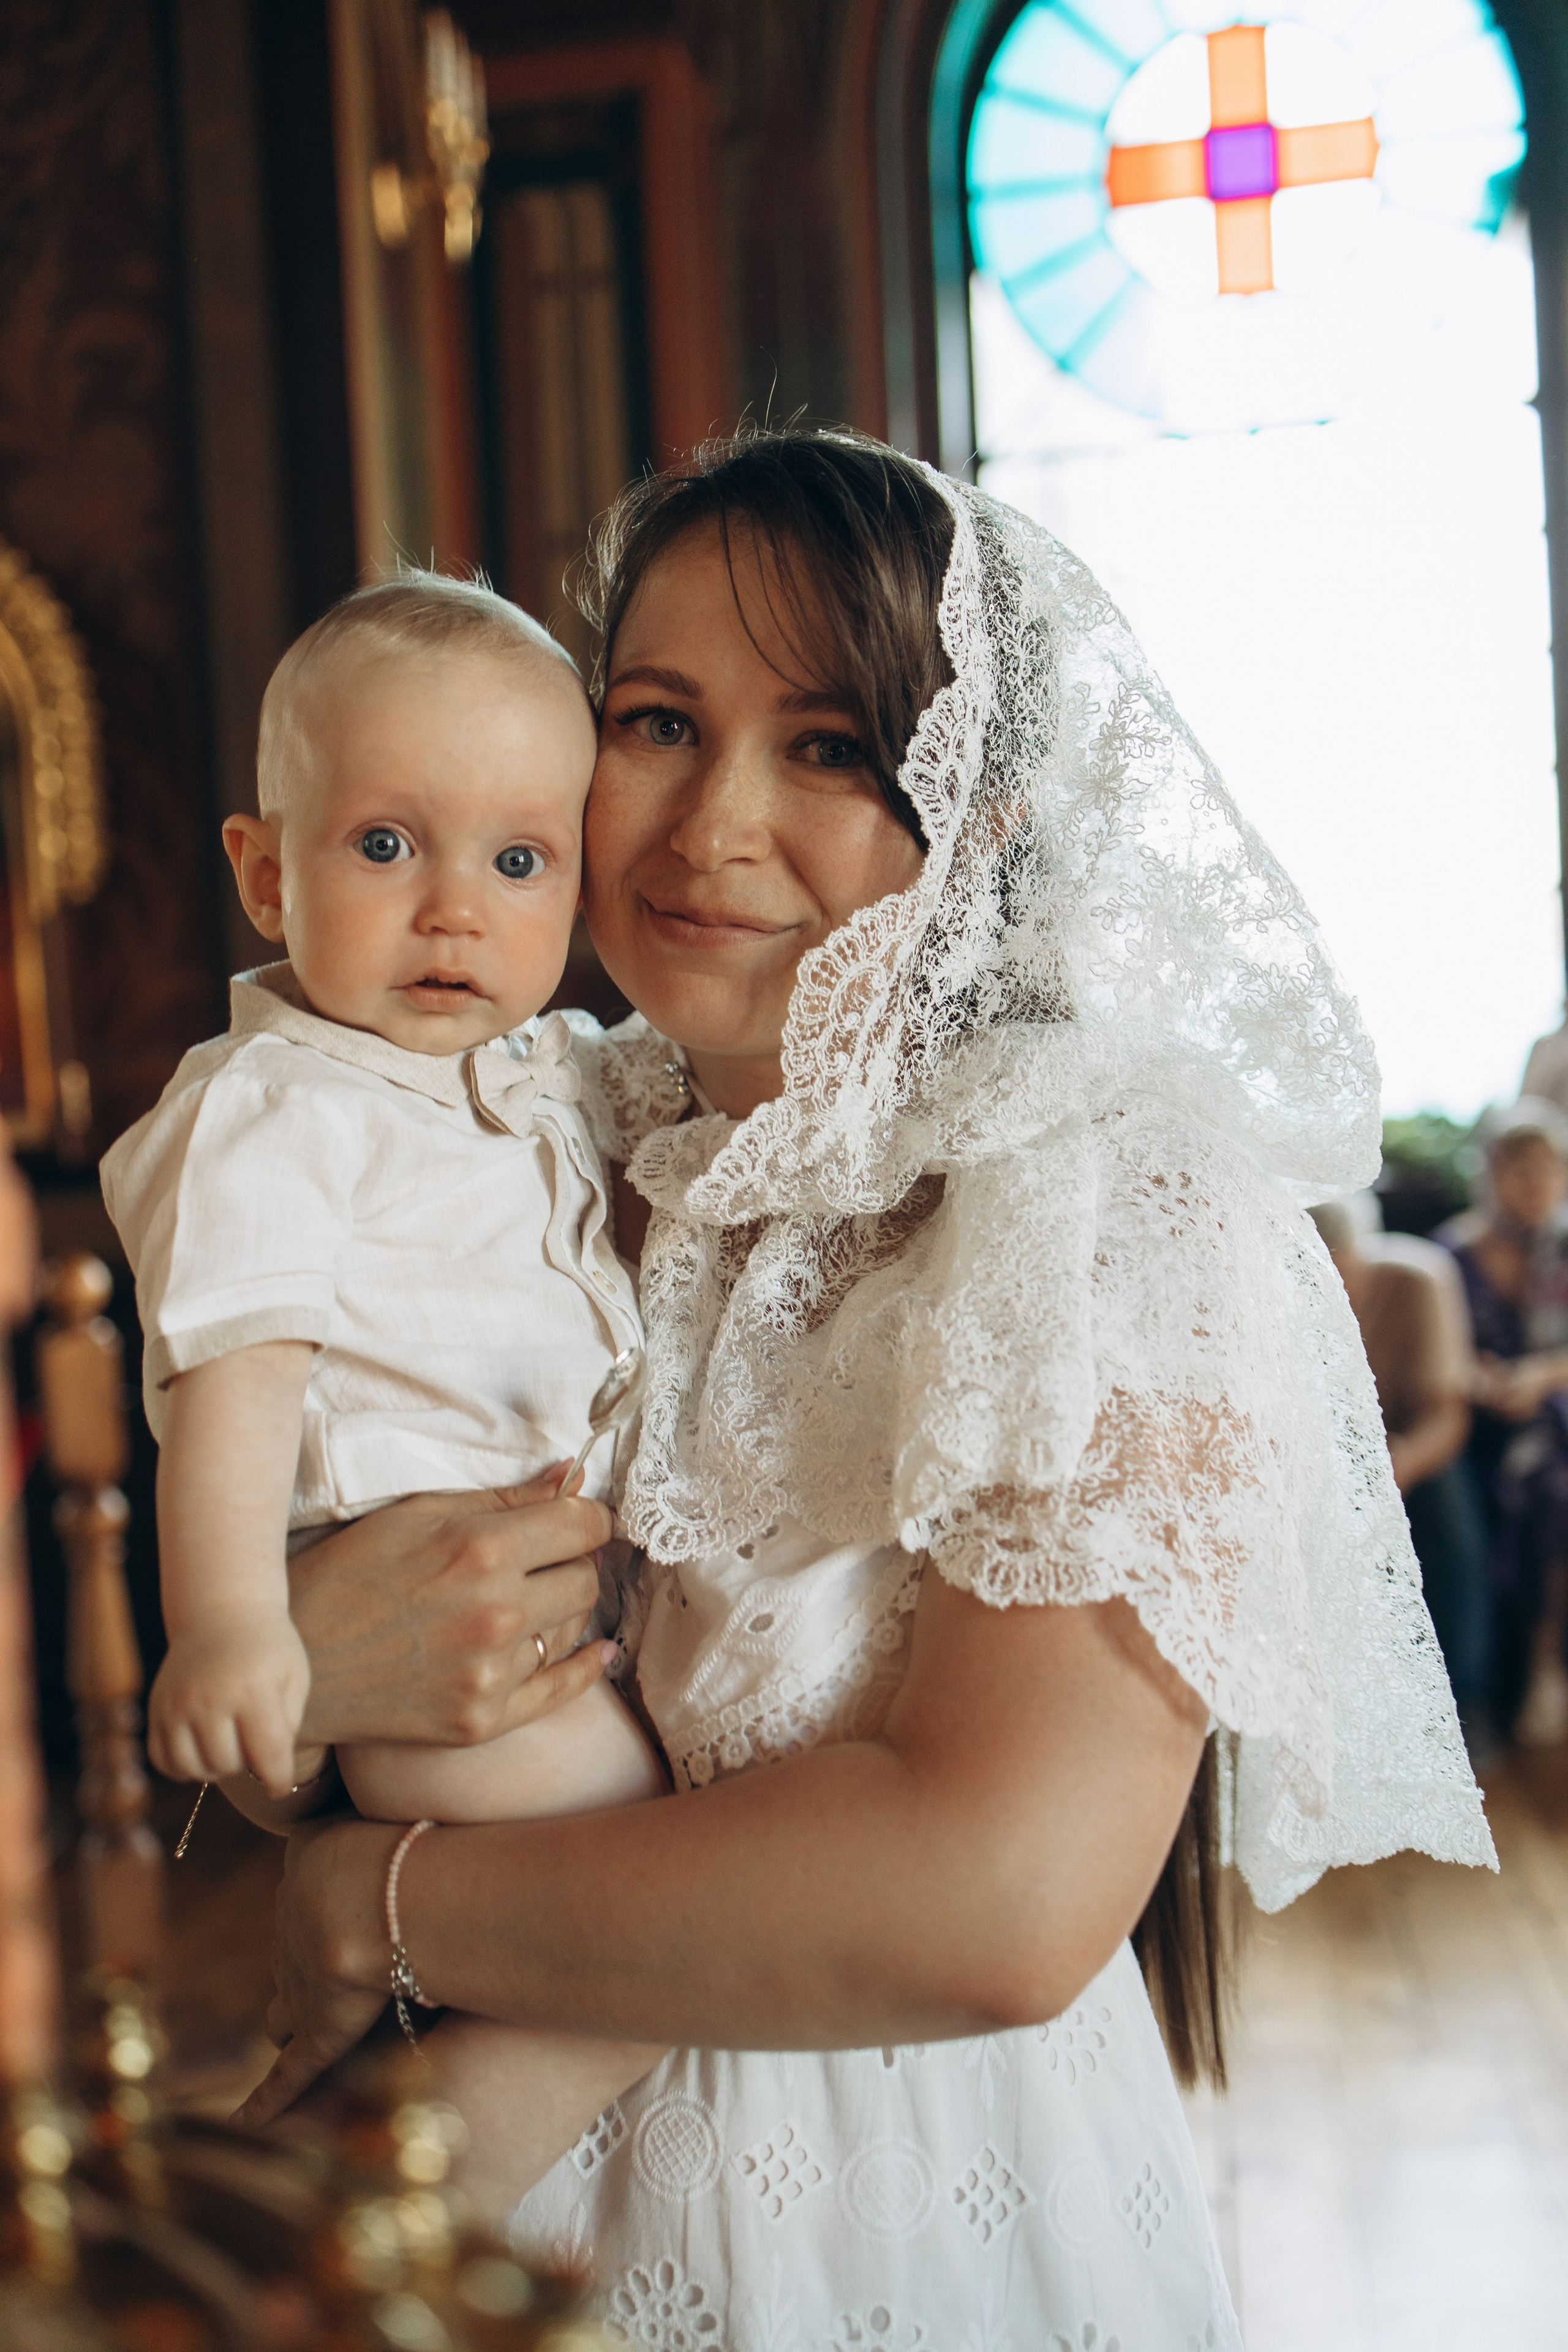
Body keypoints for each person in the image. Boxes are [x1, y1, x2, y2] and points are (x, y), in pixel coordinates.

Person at [225, 432, 1492, 2339]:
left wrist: (360, 1906)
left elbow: (994, 1893)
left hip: (888, 2204)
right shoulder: (523, 1120)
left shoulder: (1103, 1207)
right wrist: (307, 1638)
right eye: (655, 719)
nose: (710, 821)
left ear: (975, 808)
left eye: (829, 746)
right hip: (470, 2185)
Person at [100, 575, 666, 2183]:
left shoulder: (525, 1072)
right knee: (659, 1937)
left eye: (516, 859)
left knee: (525, 1981)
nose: (453, 909)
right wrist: (230, 1625)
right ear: (264, 873)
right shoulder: (278, 1111)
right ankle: (335, 2233)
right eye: (383, 846)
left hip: (536, 1629)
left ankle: (304, 2151)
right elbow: (237, 1383)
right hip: (427, 1651)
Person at [1308, 1197, 1490, 1741]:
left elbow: (1448, 1416)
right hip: (1327, 1454)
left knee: (1451, 1533)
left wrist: (1398, 1464)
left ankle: (1463, 1705)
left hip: (1412, 1449)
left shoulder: (1421, 1279)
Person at [1439, 1101, 1568, 1746]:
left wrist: (1539, 1376)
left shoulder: (1562, 1249)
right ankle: (1498, 1689)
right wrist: (1482, 1380)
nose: (1537, 1189)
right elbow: (1436, 1353)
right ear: (1490, 1175)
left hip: (1548, 1414)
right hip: (1472, 1421)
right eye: (1522, 1174)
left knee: (1549, 1479)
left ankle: (1543, 1672)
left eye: (1549, 1174)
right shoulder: (1451, 1254)